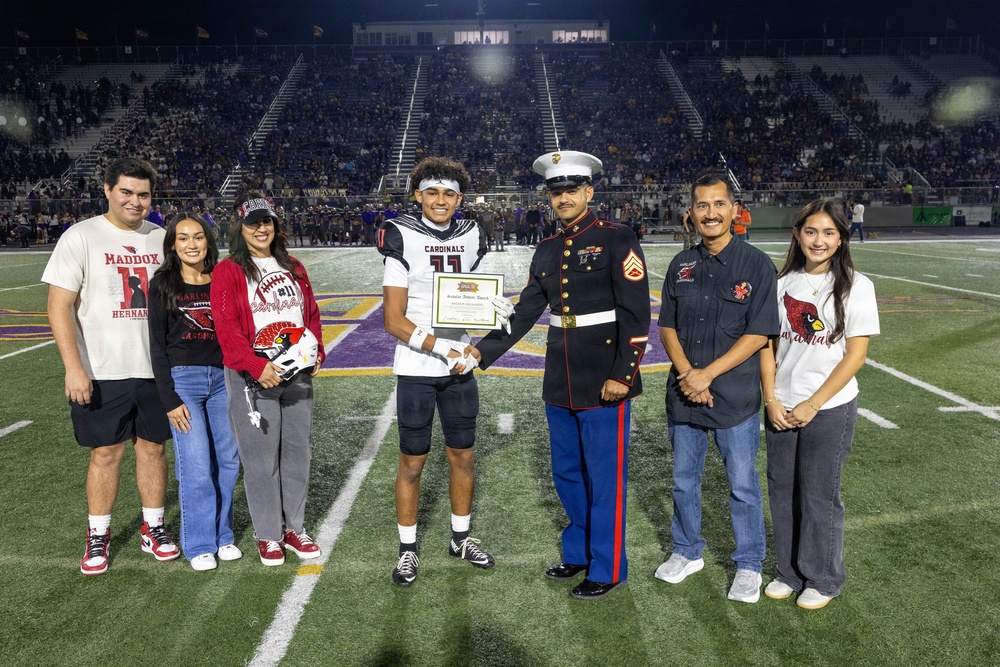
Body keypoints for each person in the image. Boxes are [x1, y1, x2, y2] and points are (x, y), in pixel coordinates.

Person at [470, 151, 651, 600]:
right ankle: (579, 553)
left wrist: (623, 376)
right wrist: (480, 350)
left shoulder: (616, 237)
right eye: (557, 191)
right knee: (568, 473)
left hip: (604, 377)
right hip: (561, 377)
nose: (564, 197)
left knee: (604, 477)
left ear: (589, 192)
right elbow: (529, 308)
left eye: (572, 189)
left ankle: (608, 568)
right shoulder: (548, 248)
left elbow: (635, 313)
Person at [43, 156, 179, 576]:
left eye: (143, 194)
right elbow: (59, 307)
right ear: (107, 190)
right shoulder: (80, 236)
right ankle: (98, 534)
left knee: (153, 449)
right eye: (126, 192)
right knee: (106, 454)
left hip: (155, 370)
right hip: (102, 370)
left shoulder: (160, 238)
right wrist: (73, 367)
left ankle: (153, 527)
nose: (135, 202)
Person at [376, 157, 503, 588]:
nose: (440, 200)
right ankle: (407, 549)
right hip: (417, 366)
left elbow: (477, 296)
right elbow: (393, 319)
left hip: (460, 367)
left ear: (460, 198)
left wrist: (492, 315)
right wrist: (442, 347)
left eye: (449, 193)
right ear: (418, 195)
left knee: (463, 455)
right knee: (413, 461)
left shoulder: (472, 234)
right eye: (432, 192)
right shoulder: (401, 235)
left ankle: (460, 538)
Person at [655, 172, 778, 603]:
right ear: (691, 213)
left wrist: (707, 375)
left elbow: (759, 333)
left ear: (734, 209)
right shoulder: (681, 264)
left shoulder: (758, 265)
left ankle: (749, 564)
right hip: (685, 396)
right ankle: (687, 551)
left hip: (735, 398)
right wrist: (691, 374)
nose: (710, 213)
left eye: (718, 204)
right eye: (702, 205)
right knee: (684, 481)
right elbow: (666, 326)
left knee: (742, 484)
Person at [759, 199, 878, 610]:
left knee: (819, 495)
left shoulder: (857, 286)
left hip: (828, 408)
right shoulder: (781, 284)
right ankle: (788, 572)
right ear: (797, 234)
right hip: (781, 406)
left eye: (830, 233)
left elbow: (855, 355)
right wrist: (771, 399)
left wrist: (813, 403)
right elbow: (768, 347)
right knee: (782, 492)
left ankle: (822, 578)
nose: (819, 240)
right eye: (811, 231)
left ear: (842, 238)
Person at [210, 193, 325, 567]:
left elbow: (311, 314)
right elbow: (226, 328)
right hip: (253, 376)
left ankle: (294, 527)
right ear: (240, 228)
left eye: (268, 222)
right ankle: (268, 534)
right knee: (260, 459)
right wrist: (255, 366)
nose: (261, 228)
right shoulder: (229, 271)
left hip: (298, 374)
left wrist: (317, 350)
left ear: (276, 226)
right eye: (253, 222)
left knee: (297, 452)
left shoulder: (293, 265)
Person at [148, 213, 242, 572]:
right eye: (183, 238)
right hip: (183, 381)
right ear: (173, 244)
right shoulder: (162, 285)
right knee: (197, 465)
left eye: (198, 237)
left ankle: (223, 535)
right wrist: (169, 399)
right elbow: (157, 347)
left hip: (223, 379)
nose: (191, 244)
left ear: (208, 241)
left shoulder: (222, 278)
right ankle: (199, 543)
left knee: (229, 461)